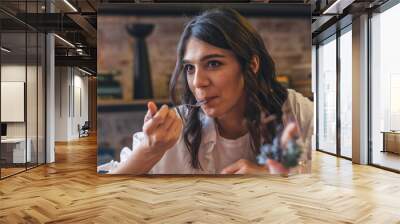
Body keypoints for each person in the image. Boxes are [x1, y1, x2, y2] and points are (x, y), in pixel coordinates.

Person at [110, 8, 313, 175]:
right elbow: (107, 192)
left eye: (213, 63)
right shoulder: (175, 129)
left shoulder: (295, 111)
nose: (198, 82)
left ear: (251, 65)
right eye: (190, 68)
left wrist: (272, 176)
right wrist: (150, 149)